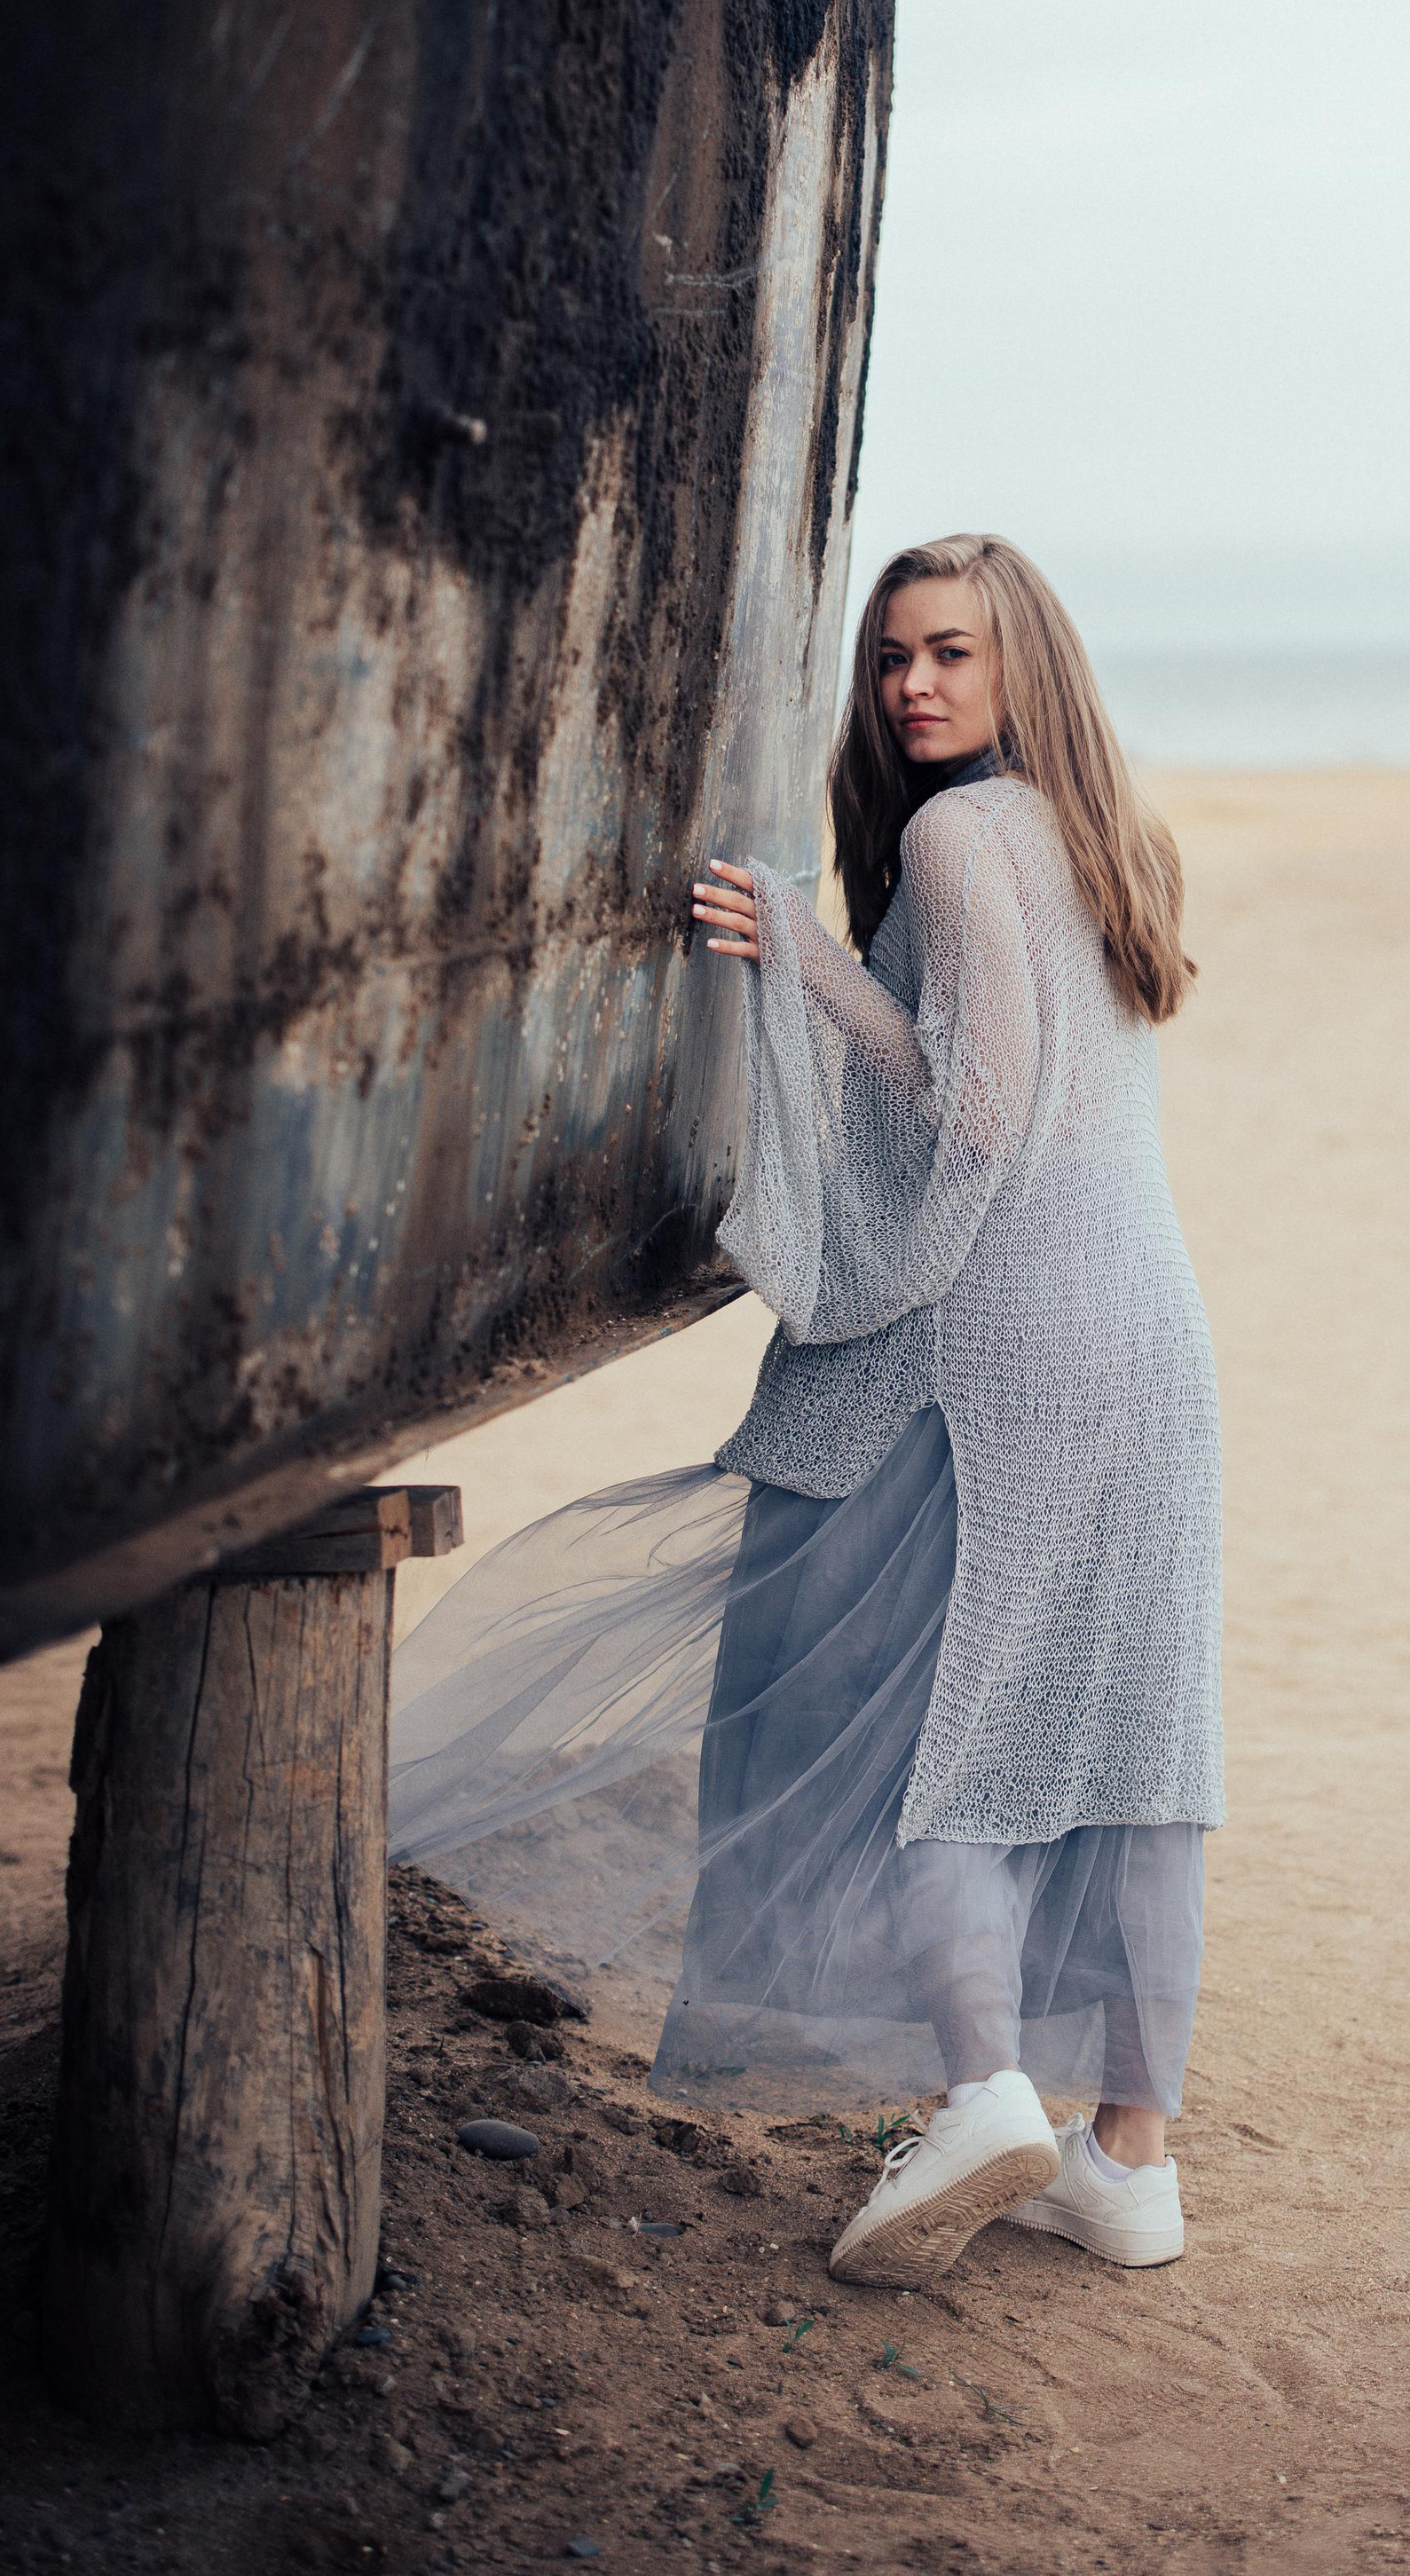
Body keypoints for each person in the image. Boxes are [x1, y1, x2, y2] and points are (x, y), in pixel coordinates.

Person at [389, 536, 1223, 2290]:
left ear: (1021, 669)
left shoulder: (953, 833)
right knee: (1137, 1744)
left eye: (949, 654)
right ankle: (1129, 2160)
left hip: (1000, 1341)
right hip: (1152, 1336)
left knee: (926, 1718)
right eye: (892, 657)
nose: (913, 686)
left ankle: (985, 2085)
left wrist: (801, 952)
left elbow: (976, 1112)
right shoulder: (1108, 836)